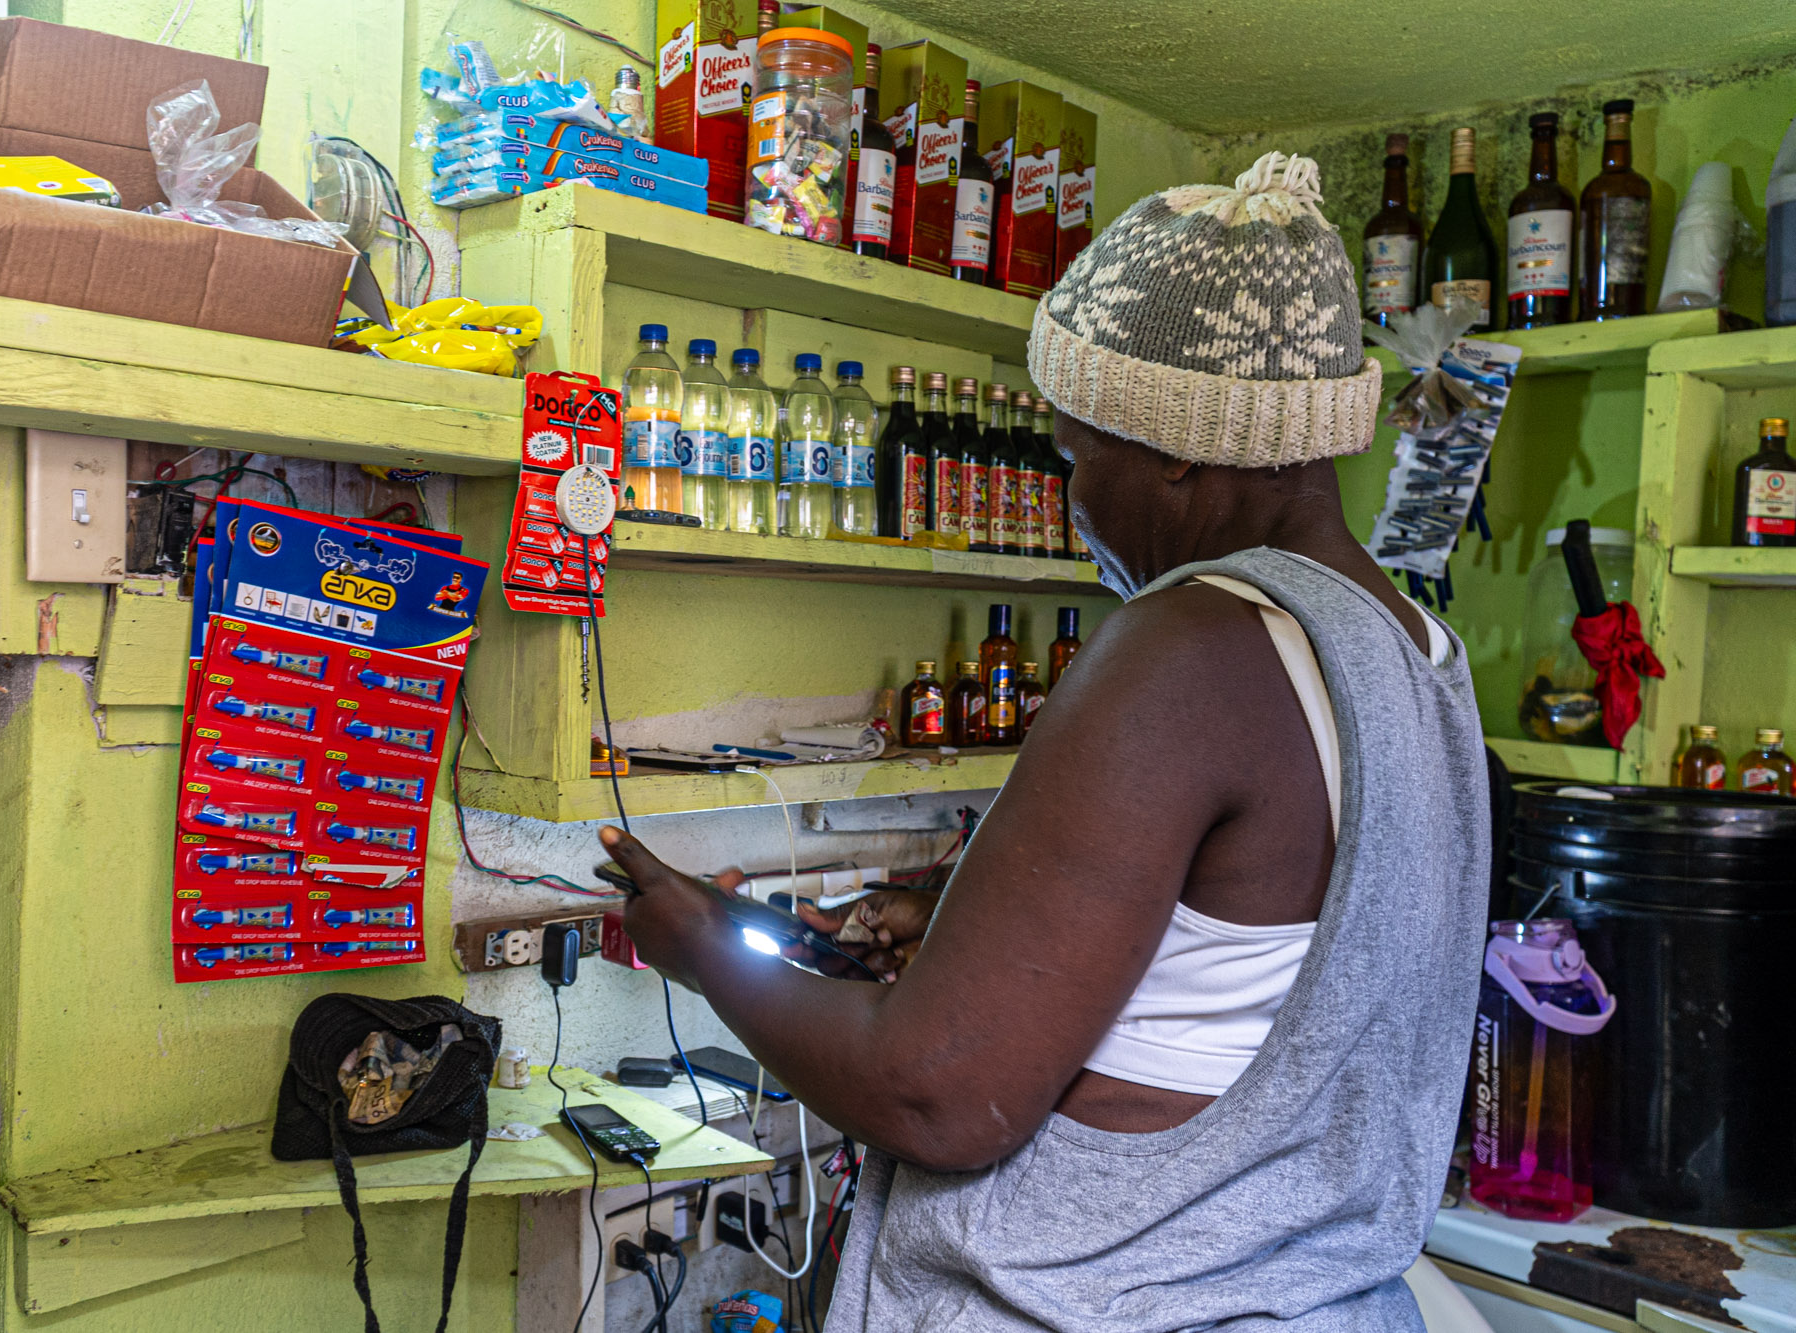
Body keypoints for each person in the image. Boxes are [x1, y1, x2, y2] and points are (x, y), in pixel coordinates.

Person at [602, 151, 1490, 1331]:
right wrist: (974, 921)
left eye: (1080, 456)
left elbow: (936, 1097)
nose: (1073, 505)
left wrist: (701, 943)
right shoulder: (1415, 654)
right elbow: (1258, 973)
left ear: (1176, 442)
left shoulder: (1191, 641)